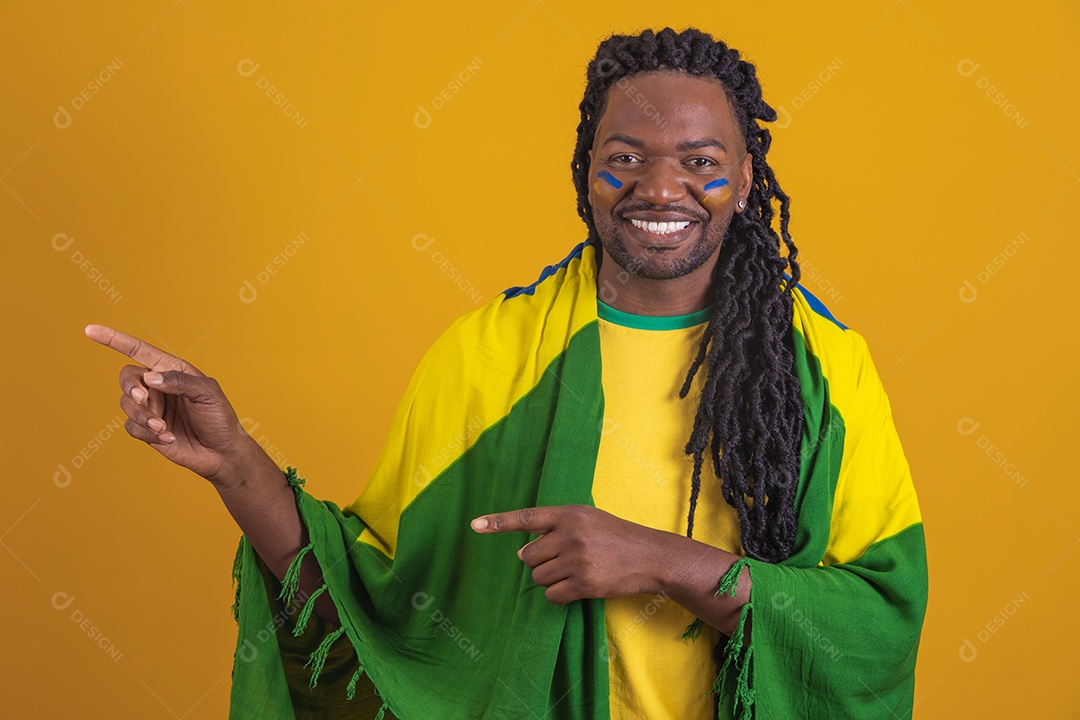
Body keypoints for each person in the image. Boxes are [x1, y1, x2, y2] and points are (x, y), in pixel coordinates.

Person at [87, 27, 927, 720]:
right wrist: (236, 463)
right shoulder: (490, 353)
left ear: (745, 181)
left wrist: (663, 562)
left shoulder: (822, 368)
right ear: (585, 171)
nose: (661, 186)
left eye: (702, 162)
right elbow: (377, 610)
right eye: (625, 157)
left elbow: (876, 624)